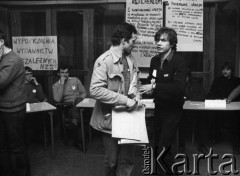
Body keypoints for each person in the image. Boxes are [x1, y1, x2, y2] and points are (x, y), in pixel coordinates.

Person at [89, 22, 142, 176]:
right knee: (111, 161)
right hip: (111, 119)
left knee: (128, 160)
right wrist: (125, 100)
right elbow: (95, 90)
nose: (134, 44)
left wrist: (135, 94)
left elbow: (134, 82)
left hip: (130, 117)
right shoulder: (104, 60)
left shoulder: (130, 59)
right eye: (133, 41)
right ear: (123, 41)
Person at [139, 27, 187, 175]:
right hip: (158, 108)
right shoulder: (154, 60)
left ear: (172, 43)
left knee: (162, 147)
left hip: (173, 111)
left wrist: (154, 86)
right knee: (158, 146)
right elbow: (151, 80)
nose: (158, 43)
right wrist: (144, 88)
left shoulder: (179, 61)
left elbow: (179, 87)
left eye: (163, 40)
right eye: (157, 40)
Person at [0, 30, 30, 176]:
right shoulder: (2, 57)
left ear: (0, 42)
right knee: (2, 147)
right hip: (3, 109)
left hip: (14, 111)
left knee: (17, 147)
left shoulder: (12, 60)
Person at [207, 61, 240, 155]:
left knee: (236, 119)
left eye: (228, 69)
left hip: (233, 108)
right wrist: (220, 100)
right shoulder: (217, 80)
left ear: (232, 71)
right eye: (223, 69)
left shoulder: (237, 81)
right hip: (220, 107)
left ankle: (236, 144)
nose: (225, 71)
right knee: (212, 115)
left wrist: (230, 100)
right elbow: (211, 94)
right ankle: (215, 138)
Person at [52, 65, 87, 150]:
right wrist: (62, 84)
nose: (64, 74)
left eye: (66, 72)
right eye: (62, 72)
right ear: (58, 74)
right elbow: (58, 99)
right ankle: (78, 142)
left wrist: (79, 100)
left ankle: (74, 122)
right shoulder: (55, 86)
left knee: (78, 99)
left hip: (80, 104)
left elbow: (84, 92)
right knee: (79, 115)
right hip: (68, 108)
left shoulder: (75, 80)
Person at [24, 66, 48, 145]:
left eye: (31, 74)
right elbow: (24, 99)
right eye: (27, 74)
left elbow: (43, 98)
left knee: (45, 116)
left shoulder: (36, 85)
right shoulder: (20, 85)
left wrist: (37, 84)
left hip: (36, 107)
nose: (30, 76)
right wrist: (37, 101)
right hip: (25, 108)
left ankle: (42, 139)